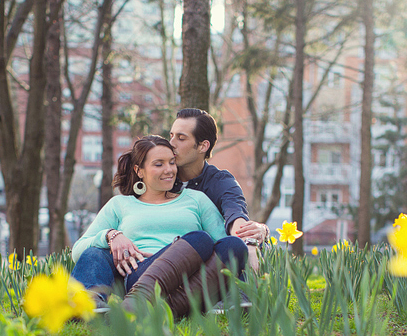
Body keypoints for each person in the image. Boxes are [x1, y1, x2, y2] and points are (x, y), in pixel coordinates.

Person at [71, 135, 247, 316]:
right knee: (95, 252)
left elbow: (223, 242)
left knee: (231, 245)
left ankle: (148, 308)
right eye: (159, 164)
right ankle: (87, 303)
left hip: (190, 279)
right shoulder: (120, 204)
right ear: (139, 171)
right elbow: (78, 250)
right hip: (143, 275)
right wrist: (110, 235)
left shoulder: (196, 199)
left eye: (172, 162)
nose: (169, 170)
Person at [169, 108, 270, 270]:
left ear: (203, 146)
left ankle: (248, 293)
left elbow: (235, 213)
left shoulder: (221, 181)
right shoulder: (160, 177)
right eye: (171, 136)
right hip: (163, 256)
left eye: (181, 138)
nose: (171, 144)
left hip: (206, 263)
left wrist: (250, 240)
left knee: (252, 246)